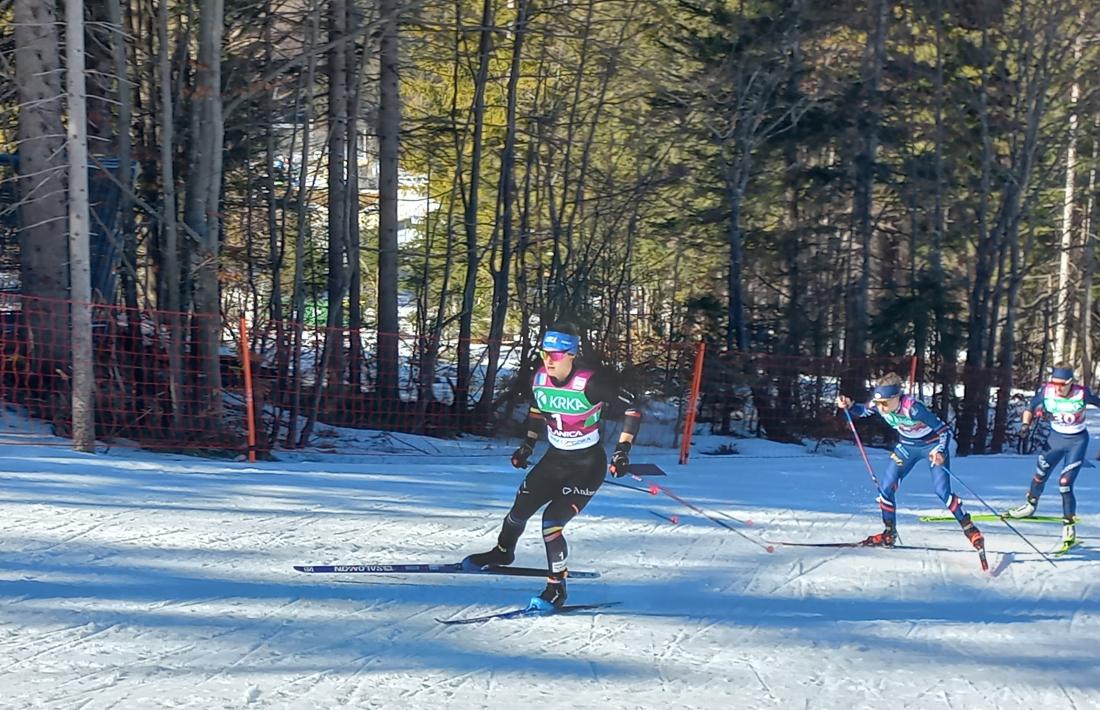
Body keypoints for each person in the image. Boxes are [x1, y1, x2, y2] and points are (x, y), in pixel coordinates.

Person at [463, 322, 642, 611]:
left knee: (552, 522)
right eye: (545, 353)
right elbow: (538, 407)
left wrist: (622, 451)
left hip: (586, 465)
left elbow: (632, 408)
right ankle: (503, 552)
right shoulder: (539, 378)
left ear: (571, 355)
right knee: (517, 512)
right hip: (555, 460)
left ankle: (556, 589)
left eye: (556, 355)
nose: (549, 360)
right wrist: (528, 445)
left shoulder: (591, 382)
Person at [837, 373, 984, 551]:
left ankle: (969, 528)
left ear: (896, 397)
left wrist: (940, 451)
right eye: (879, 403)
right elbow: (861, 411)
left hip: (932, 445)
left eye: (885, 403)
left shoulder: (913, 409)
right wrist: (849, 405)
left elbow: (944, 431)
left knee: (941, 491)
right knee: (886, 489)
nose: (881, 408)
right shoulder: (878, 405)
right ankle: (889, 533)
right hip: (907, 447)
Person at [1003, 363, 1100, 550]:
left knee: (1065, 483)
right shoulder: (1047, 391)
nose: (1058, 387)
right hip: (1055, 440)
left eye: (1062, 384)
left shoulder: (1082, 393)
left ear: (1070, 382)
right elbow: (1030, 407)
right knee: (1040, 475)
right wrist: (1025, 425)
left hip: (1077, 442)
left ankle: (1069, 525)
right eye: (1055, 383)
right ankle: (1030, 505)